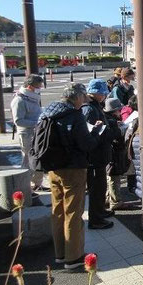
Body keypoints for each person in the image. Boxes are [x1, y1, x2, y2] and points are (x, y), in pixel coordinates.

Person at [40, 83, 101, 269]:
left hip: (53, 167)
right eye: (83, 96)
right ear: (76, 97)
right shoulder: (74, 116)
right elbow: (86, 144)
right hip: (73, 168)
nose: (84, 100)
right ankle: (73, 257)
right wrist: (97, 132)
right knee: (73, 212)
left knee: (57, 210)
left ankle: (60, 253)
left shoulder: (48, 113)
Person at [82, 79, 116, 230]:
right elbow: (91, 134)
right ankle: (96, 219)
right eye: (102, 93)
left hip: (99, 155)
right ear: (95, 93)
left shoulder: (94, 106)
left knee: (100, 187)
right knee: (96, 188)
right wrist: (111, 132)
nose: (104, 96)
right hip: (95, 156)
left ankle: (100, 212)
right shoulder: (89, 109)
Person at [11, 74, 45, 193]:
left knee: (39, 158)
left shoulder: (32, 97)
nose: (39, 88)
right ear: (30, 87)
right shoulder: (19, 99)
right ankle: (24, 187)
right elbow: (18, 121)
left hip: (37, 132)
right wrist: (37, 123)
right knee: (28, 160)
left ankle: (37, 184)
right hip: (27, 134)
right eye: (38, 86)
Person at [104, 97, 129, 211]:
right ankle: (115, 201)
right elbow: (114, 136)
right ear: (115, 111)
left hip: (109, 154)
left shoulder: (106, 118)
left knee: (110, 176)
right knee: (114, 177)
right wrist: (121, 129)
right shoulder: (111, 121)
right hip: (114, 154)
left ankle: (108, 198)